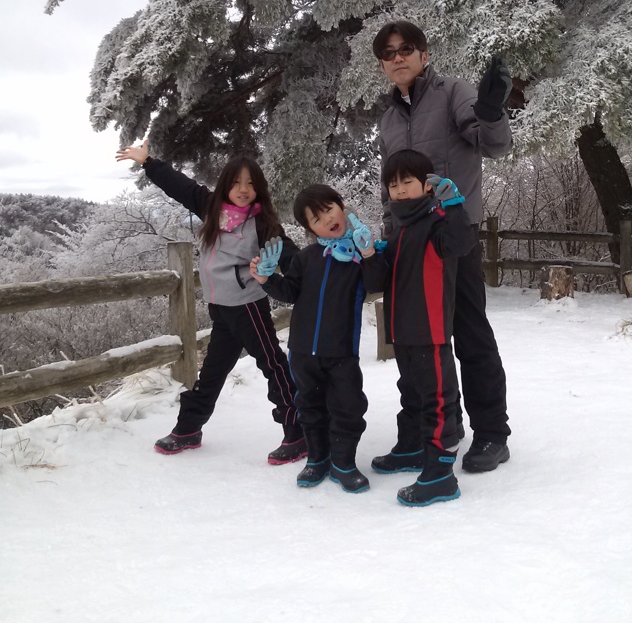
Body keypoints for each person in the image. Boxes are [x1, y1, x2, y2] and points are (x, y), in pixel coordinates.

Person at [372, 19, 513, 473]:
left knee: (470, 336)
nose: (398, 57)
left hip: (455, 236)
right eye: (388, 53)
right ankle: (428, 430)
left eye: (406, 49)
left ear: (424, 55)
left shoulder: (453, 92)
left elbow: (491, 145)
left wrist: (491, 111)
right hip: (408, 246)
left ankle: (491, 434)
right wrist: (387, 235)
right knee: (416, 342)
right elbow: (388, 184)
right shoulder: (389, 117)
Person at [116, 140, 305, 464]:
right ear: (225, 185)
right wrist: (148, 162)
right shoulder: (211, 209)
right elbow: (181, 186)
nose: (243, 189)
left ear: (259, 188)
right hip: (221, 310)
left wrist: (320, 269)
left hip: (248, 307)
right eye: (236, 182)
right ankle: (189, 429)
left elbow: (289, 256)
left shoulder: (262, 224)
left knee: (273, 365)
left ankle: (298, 431)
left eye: (250, 183)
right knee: (212, 373)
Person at [250, 185, 387, 494]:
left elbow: (377, 283)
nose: (326, 220)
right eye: (316, 219)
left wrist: (368, 254)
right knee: (309, 406)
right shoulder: (307, 257)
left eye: (329, 209)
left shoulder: (358, 257)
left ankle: (343, 463)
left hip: (341, 352)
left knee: (348, 407)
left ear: (341, 206)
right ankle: (317, 458)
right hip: (302, 351)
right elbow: (290, 293)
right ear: (309, 229)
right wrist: (268, 279)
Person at [373, 149, 475, 506]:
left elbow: (461, 244)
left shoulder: (438, 222)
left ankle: (440, 473)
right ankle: (413, 447)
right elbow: (381, 280)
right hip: (402, 331)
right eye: (393, 184)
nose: (400, 190)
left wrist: (457, 206)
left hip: (430, 331)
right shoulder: (398, 230)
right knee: (411, 393)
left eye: (407, 182)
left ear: (427, 186)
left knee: (436, 400)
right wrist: (371, 255)